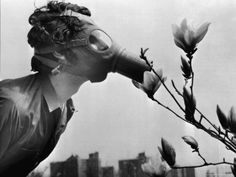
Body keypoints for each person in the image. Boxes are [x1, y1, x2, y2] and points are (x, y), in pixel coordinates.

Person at [0, 1, 150, 176]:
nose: (103, 48)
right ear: (59, 54)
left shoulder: (64, 108)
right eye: (92, 41)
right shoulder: (11, 106)